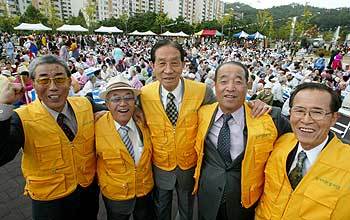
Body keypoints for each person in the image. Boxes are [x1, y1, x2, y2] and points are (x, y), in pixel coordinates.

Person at [140, 40, 268, 220]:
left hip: (190, 165)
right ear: (153, 65)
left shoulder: (202, 91)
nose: (168, 70)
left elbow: (225, 106)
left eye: (175, 62)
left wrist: (252, 103)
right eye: (161, 63)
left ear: (183, 64)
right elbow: (124, 111)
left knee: (186, 209)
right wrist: (100, 114)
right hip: (160, 164)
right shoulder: (144, 94)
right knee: (161, 208)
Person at [0, 55, 105, 220]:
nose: (53, 87)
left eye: (59, 79)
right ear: (32, 84)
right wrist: (3, 107)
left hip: (87, 192)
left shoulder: (85, 104)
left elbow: (113, 109)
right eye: (43, 80)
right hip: (50, 202)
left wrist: (135, 110)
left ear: (70, 81)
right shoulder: (20, 118)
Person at [192, 61, 291, 220]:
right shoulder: (201, 113)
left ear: (248, 85)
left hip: (246, 201)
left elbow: (297, 142)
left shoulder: (271, 118)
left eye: (238, 82)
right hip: (207, 195)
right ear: (215, 85)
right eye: (223, 81)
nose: (230, 87)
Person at [255, 83, 350, 220]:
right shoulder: (279, 144)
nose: (306, 120)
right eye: (299, 111)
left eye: (317, 112)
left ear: (334, 118)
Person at [95, 75, 155, 220]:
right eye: (116, 99)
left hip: (145, 192)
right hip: (115, 196)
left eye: (128, 98)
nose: (123, 104)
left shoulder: (145, 122)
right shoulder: (95, 127)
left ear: (135, 103)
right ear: (107, 104)